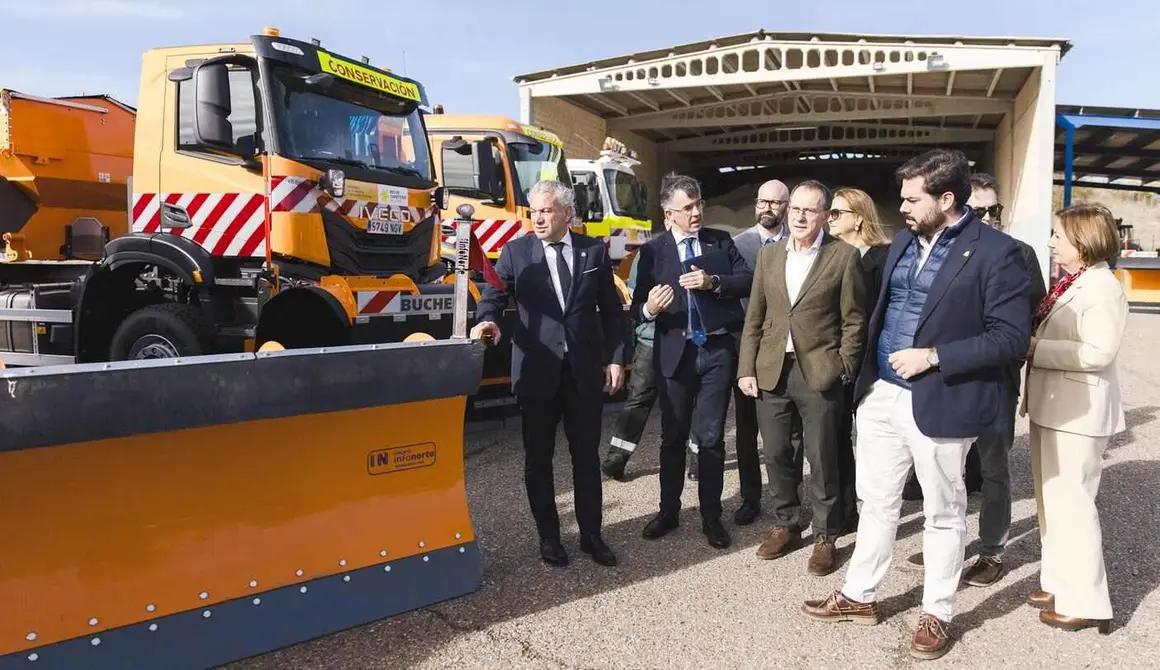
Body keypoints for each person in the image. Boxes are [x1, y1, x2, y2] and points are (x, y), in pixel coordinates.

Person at [801, 149, 1030, 661]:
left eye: (911, 197)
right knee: (876, 502)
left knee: (944, 513)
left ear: (946, 199)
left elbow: (1011, 338)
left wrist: (934, 356)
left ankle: (937, 612)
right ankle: (859, 596)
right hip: (882, 394)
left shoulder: (997, 252)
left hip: (942, 399)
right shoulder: (903, 240)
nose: (900, 206)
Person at [471, 179, 626, 568]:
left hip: (582, 373)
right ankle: (550, 538)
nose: (537, 219)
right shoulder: (516, 252)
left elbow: (610, 308)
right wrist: (487, 321)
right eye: (533, 211)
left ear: (568, 214)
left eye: (546, 211)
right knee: (538, 460)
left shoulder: (593, 251)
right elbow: (494, 295)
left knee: (586, 458)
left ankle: (592, 535)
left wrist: (615, 358)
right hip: (538, 372)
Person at [903, 172, 1049, 586]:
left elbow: (1027, 317)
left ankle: (992, 550)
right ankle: (949, 545)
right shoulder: (946, 249)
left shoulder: (1018, 254)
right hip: (947, 374)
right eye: (980, 209)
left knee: (994, 467)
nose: (988, 217)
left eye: (995, 209)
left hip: (995, 379)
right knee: (949, 468)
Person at [737, 179, 866, 576]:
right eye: (795, 208)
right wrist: (746, 368)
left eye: (810, 210)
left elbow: (854, 319)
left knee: (822, 456)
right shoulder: (769, 257)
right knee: (776, 452)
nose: (799, 216)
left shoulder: (843, 257)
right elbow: (755, 317)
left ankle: (826, 536)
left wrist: (844, 366)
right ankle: (786, 523)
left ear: (826, 216)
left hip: (819, 373)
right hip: (772, 370)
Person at [632, 172, 753, 549]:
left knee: (712, 438)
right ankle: (668, 510)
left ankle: (711, 516)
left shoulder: (719, 241)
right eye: (687, 208)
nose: (696, 212)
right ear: (669, 215)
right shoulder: (653, 252)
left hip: (716, 352)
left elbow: (747, 280)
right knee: (672, 437)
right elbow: (637, 308)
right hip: (675, 356)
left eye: (698, 204)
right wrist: (650, 308)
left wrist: (713, 281)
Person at [1022, 202, 1126, 634]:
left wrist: (1034, 350)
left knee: (1074, 506)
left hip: (1078, 415)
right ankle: (1059, 582)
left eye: (1058, 236)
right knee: (1052, 504)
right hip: (1054, 406)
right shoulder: (1075, 281)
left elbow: (1099, 352)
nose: (1051, 242)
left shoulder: (1103, 288)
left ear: (1082, 241)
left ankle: (1086, 600)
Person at [729, 178, 801, 526]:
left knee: (793, 431)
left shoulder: (799, 244)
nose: (767, 208)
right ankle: (750, 497)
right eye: (762, 202)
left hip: (788, 351)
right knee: (746, 430)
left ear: (787, 206)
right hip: (748, 350)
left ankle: (793, 496)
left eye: (775, 203)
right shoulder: (737, 245)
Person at [601, 239, 700, 482]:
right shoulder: (648, 255)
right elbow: (636, 299)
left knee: (693, 401)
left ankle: (698, 460)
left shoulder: (697, 250)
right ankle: (616, 459)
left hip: (686, 342)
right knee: (639, 401)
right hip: (652, 341)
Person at [827, 186, 892, 532]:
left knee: (873, 444)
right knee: (836, 440)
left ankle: (876, 513)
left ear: (859, 218)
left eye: (837, 213)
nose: (829, 218)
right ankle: (845, 512)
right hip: (834, 361)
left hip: (872, 363)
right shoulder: (827, 255)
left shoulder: (883, 257)